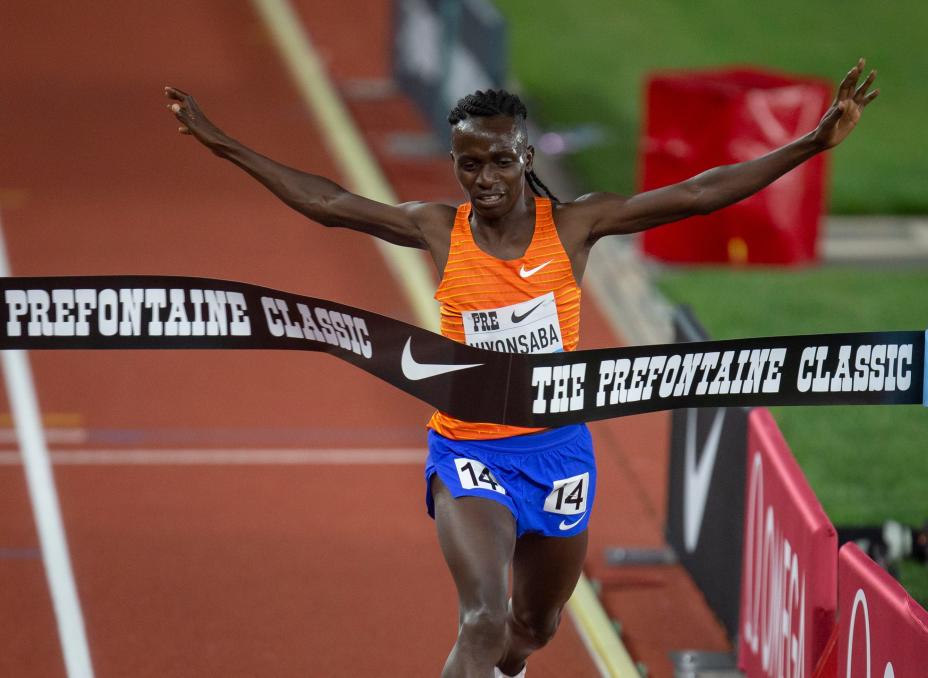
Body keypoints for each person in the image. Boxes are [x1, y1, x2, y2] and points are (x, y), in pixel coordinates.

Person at [165, 58, 878, 678]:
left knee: (530, 630)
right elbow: (326, 203)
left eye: (499, 161)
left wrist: (812, 143)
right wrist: (224, 145)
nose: (484, 179)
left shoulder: (574, 226)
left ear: (527, 156)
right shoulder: (436, 230)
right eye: (468, 163)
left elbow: (696, 195)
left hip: (559, 452)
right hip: (469, 454)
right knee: (480, 618)